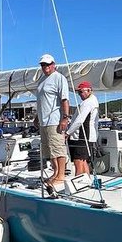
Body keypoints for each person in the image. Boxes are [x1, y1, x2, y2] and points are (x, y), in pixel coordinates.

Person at [34, 53, 70, 193]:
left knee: (58, 147)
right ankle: (55, 173)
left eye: (48, 64)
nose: (45, 67)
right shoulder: (41, 80)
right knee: (49, 150)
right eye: (43, 65)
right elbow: (41, 101)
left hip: (54, 119)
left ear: (53, 64)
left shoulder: (59, 78)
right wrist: (37, 117)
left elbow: (64, 100)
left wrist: (65, 118)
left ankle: (61, 176)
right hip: (43, 121)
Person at [65, 80, 99, 177]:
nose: (79, 94)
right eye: (78, 92)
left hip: (83, 135)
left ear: (89, 90)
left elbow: (80, 120)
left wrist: (68, 133)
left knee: (78, 160)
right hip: (89, 136)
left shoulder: (87, 103)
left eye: (81, 92)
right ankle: (87, 180)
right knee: (83, 160)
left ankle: (78, 182)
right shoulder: (94, 101)